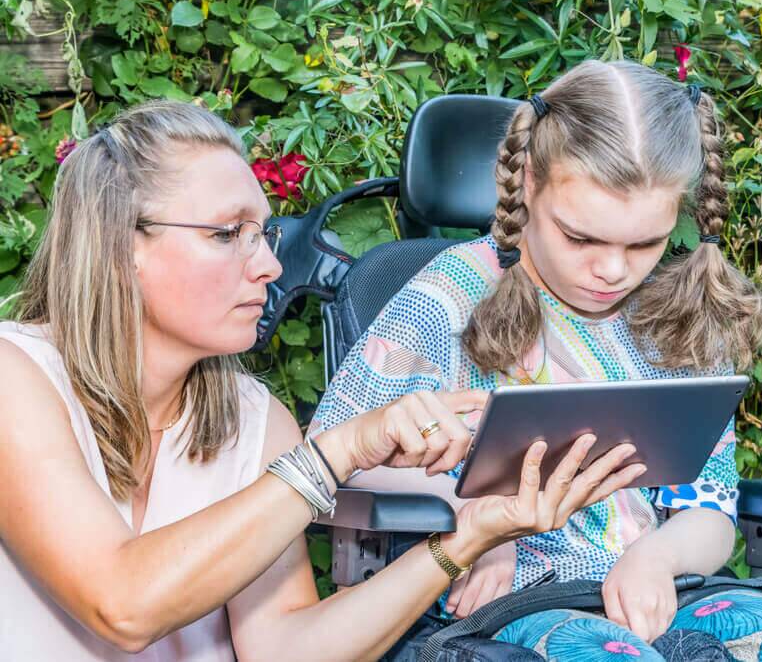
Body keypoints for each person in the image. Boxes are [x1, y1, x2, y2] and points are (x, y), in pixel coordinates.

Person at [0, 100, 645, 662]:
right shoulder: (17, 377)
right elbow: (122, 604)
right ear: (120, 245)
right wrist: (339, 451)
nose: (270, 265)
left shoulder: (250, 421)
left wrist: (471, 536)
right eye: (228, 235)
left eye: (263, 232)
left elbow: (286, 649)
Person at [309, 60, 762, 660]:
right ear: (528, 182)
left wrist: (656, 557)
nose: (612, 271)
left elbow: (710, 511)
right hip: (510, 605)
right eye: (580, 238)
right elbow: (329, 457)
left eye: (645, 243)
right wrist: (468, 514)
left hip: (670, 589)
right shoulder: (447, 297)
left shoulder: (677, 318)